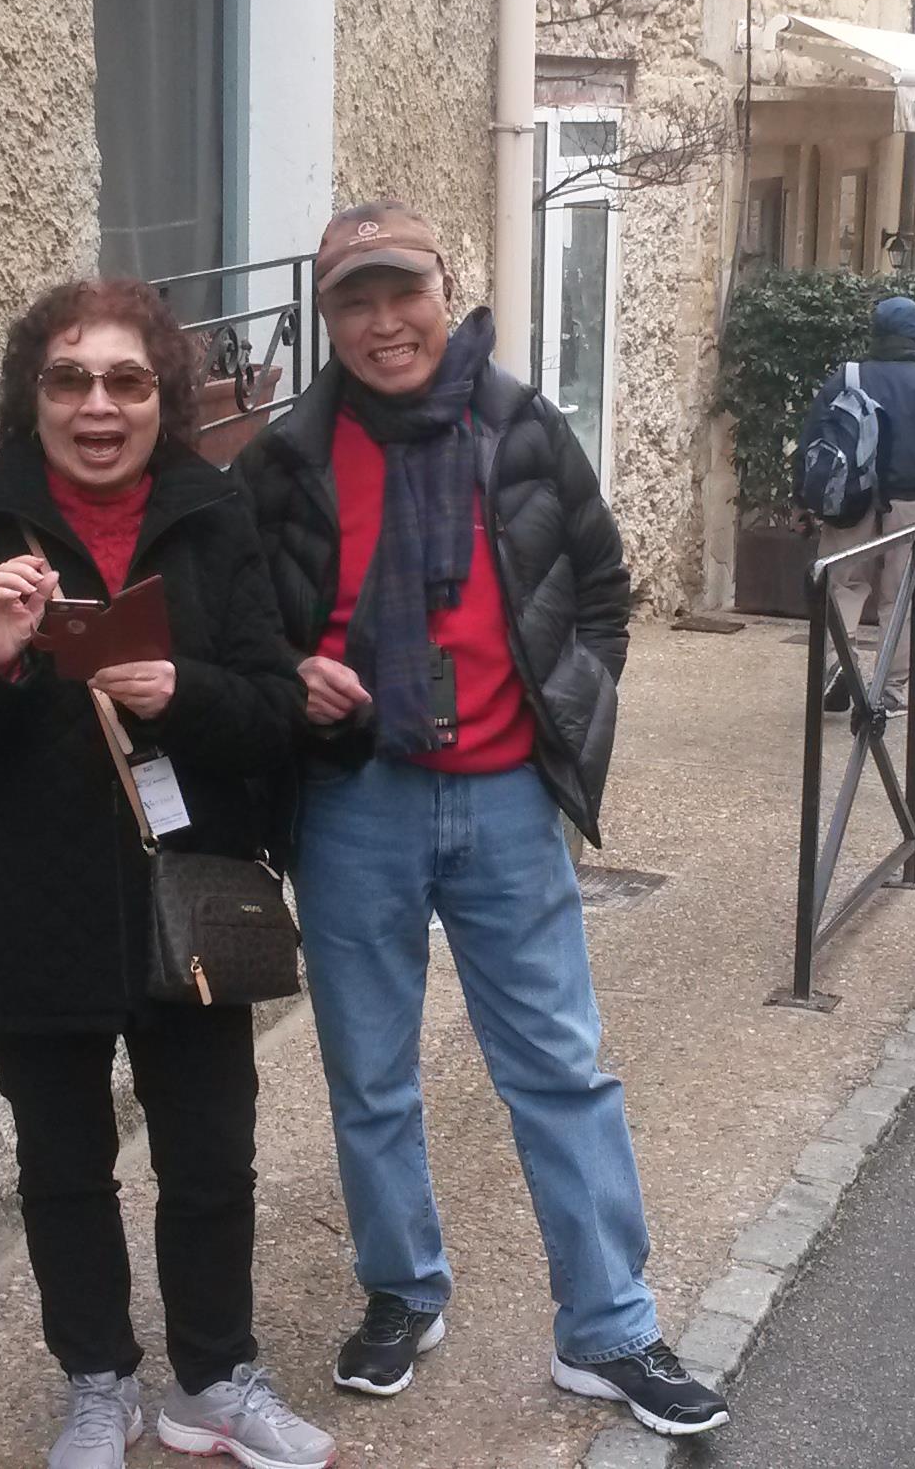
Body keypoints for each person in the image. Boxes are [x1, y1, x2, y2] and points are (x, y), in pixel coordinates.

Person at [232, 203, 729, 1440]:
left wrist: (576, 705)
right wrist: (289, 677)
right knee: (369, 1072)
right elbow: (237, 627)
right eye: (354, 302)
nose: (383, 323)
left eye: (401, 293)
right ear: (328, 317)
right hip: (355, 800)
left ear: (443, 290)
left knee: (559, 1066)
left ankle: (609, 1326)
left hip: (507, 799)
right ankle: (403, 1290)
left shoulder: (524, 428)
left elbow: (601, 586)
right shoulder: (285, 459)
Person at [0, 279, 333, 1469]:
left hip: (191, 894)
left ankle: (216, 1381)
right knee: (64, 1164)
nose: (98, 406)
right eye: (69, 380)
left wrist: (185, 692)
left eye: (127, 381)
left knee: (211, 1155)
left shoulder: (215, 517)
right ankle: (99, 1384)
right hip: (29, 902)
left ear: (161, 398)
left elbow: (275, 711)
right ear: (32, 397)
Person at [804, 295, 915, 711]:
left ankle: (838, 663)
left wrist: (801, 500)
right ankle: (891, 689)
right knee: (900, 599)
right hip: (908, 507)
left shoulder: (847, 377)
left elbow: (813, 442)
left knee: (842, 585)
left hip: (849, 505)